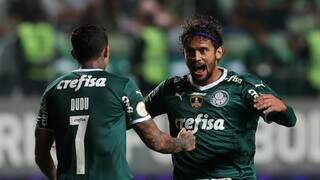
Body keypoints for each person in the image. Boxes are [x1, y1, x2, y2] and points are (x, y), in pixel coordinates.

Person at [145, 15, 297, 180]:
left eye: (203, 50)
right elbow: (134, 117)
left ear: (219, 52)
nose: (196, 57)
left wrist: (283, 108)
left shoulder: (242, 86)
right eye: (190, 51)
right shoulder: (170, 89)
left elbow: (289, 120)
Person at [34, 25, 196, 180]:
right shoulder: (121, 87)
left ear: (73, 54)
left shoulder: (53, 90)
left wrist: (56, 177)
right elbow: (157, 141)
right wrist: (183, 143)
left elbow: (41, 154)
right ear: (106, 51)